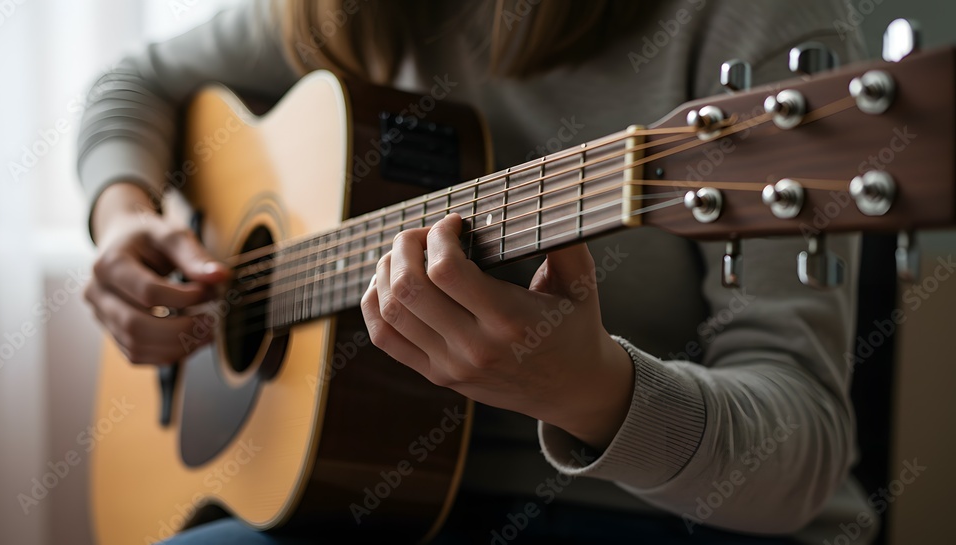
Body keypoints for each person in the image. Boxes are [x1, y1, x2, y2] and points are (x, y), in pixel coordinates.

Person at [78, 1, 873, 543]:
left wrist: (590, 390)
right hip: (368, 501)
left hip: (662, 517)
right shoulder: (340, 12)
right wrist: (121, 217)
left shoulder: (756, 20)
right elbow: (131, 83)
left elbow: (804, 450)